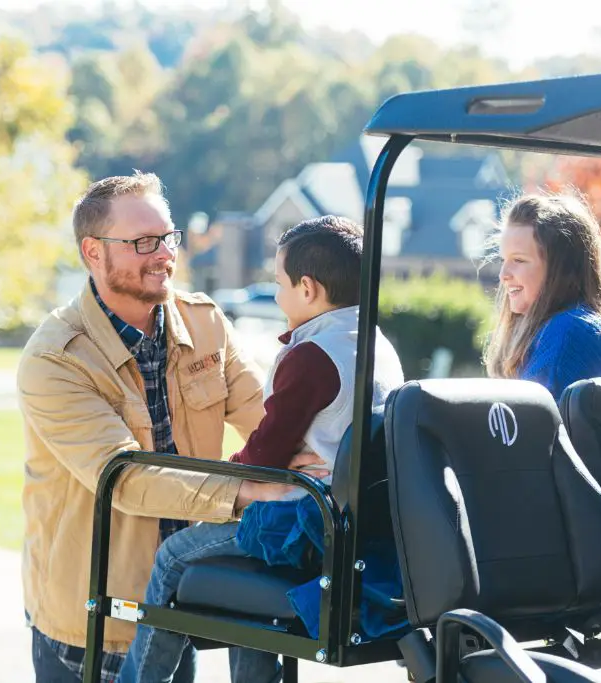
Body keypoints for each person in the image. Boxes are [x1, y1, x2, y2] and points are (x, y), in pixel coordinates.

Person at [17, 171, 324, 683]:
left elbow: (268, 419)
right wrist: (250, 490)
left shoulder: (204, 322)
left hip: (178, 605)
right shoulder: (54, 360)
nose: (163, 254)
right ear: (93, 253)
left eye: (168, 237)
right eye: (142, 242)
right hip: (94, 622)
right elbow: (127, 478)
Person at [118, 215, 406, 683]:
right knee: (244, 608)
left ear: (307, 289)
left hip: (302, 522)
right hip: (354, 525)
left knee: (172, 555)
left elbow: (263, 460)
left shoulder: (313, 355)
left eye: (278, 284)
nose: (275, 295)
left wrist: (235, 467)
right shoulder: (376, 342)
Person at [483, 191, 601, 399]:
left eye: (519, 260)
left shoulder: (568, 334)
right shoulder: (583, 326)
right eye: (503, 260)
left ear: (560, 270)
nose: (503, 275)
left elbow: (526, 428)